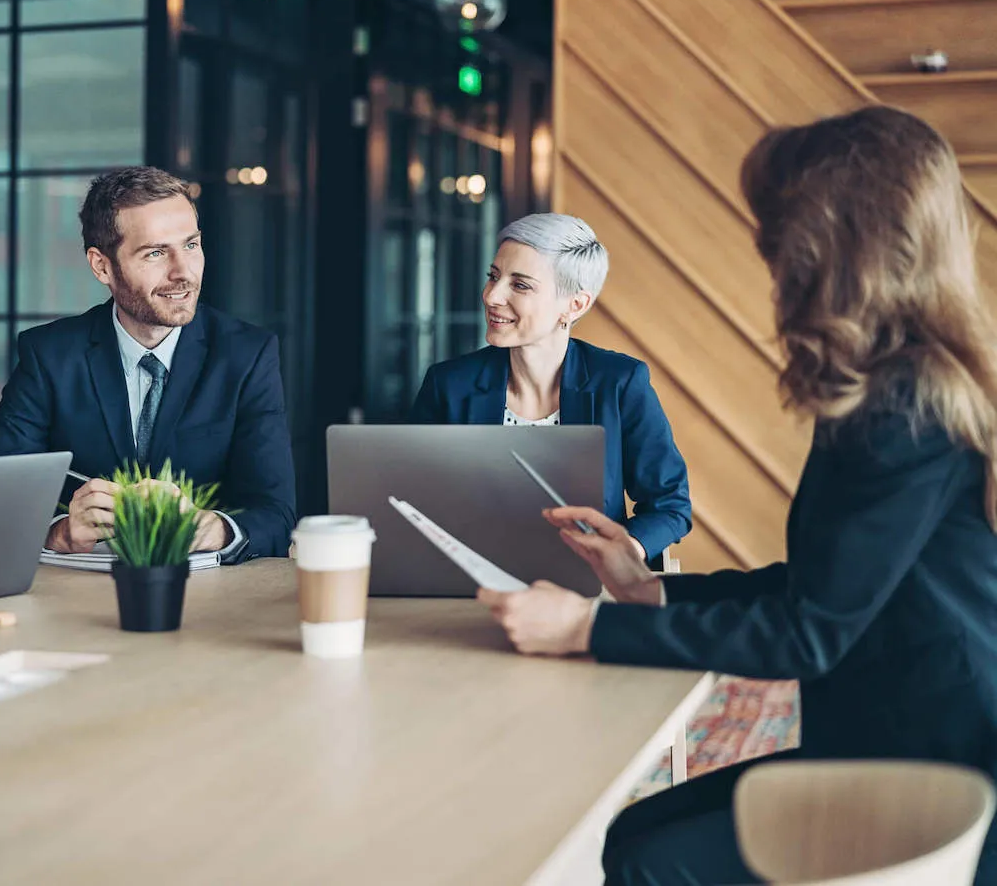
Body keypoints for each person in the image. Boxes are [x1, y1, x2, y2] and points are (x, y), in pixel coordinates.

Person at [479, 106, 997, 885]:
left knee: (647, 857)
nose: (770, 262)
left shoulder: (903, 404)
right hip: (894, 729)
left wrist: (586, 626)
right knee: (630, 835)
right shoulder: (901, 381)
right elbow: (821, 587)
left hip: (935, 766)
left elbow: (809, 632)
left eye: (778, 241)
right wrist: (649, 591)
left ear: (830, 249)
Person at [0, 166, 296, 563]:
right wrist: (60, 534)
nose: (183, 273)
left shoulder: (247, 355)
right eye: (156, 253)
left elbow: (276, 515)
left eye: (191, 245)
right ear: (102, 266)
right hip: (72, 600)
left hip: (210, 600)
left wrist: (208, 527)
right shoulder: (50, 355)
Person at [409, 213, 690, 566]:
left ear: (575, 305)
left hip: (588, 587)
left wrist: (623, 552)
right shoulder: (448, 385)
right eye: (493, 277)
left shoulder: (620, 383)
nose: (492, 296)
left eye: (520, 285)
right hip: (471, 583)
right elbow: (413, 503)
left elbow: (670, 506)